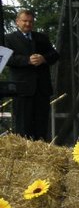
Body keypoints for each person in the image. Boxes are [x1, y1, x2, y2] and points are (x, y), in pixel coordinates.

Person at [4, 9, 60, 141]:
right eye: (25, 21)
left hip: (42, 89)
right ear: (17, 22)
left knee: (41, 125)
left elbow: (54, 55)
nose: (28, 24)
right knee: (23, 126)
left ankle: (41, 148)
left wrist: (43, 58)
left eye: (30, 21)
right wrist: (27, 60)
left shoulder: (41, 38)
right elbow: (7, 59)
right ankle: (24, 150)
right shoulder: (8, 39)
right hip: (21, 89)